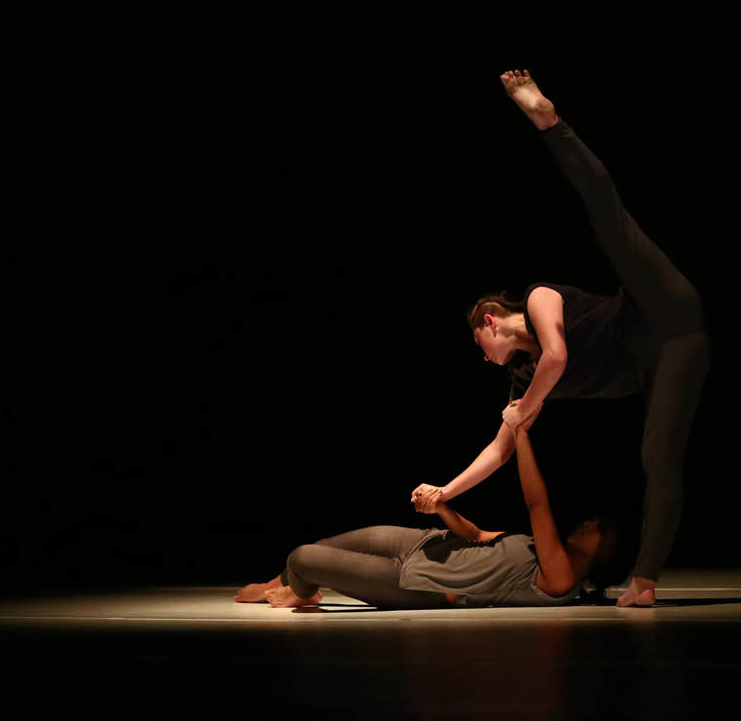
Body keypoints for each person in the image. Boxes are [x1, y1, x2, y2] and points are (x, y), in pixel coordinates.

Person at [410, 70, 711, 607]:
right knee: (658, 454)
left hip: (656, 304)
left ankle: (549, 123)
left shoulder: (539, 298)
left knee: (609, 221)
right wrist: (444, 492)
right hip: (670, 355)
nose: (486, 360)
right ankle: (645, 581)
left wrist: (525, 407)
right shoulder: (523, 377)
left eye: (481, 347)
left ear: (489, 321)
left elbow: (557, 354)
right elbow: (500, 449)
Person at [234, 426, 619, 609]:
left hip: (418, 583)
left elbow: (537, 505)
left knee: (303, 556)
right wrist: (441, 508)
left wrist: (521, 435)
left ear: (605, 556)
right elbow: (476, 535)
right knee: (319, 548)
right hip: (428, 544)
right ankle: (282, 585)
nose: (590, 524)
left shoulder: (561, 579)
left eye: (601, 531)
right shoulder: (535, 550)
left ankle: (301, 592)